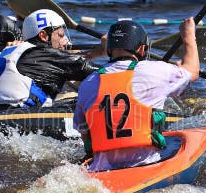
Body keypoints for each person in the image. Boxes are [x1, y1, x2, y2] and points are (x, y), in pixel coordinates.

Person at [74, 18, 199, 172]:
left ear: (109, 49)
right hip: (145, 165)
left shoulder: (88, 83)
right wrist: (188, 36)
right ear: (141, 50)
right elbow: (192, 71)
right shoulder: (155, 70)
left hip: (101, 171)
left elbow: (84, 133)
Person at [0, 9, 105, 112]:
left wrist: (98, 52)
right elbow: (101, 73)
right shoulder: (45, 53)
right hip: (15, 117)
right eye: (60, 36)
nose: (65, 42)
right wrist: (115, 51)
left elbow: (71, 64)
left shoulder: (14, 50)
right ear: (43, 35)